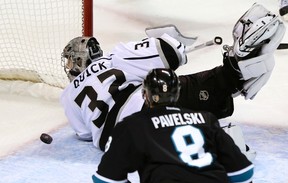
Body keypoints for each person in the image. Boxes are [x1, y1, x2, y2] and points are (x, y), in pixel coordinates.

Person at [60, 4, 285, 158]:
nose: (69, 67)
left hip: (119, 145)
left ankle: (214, 139)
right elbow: (166, 51)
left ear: (80, 62)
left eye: (70, 62)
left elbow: (85, 134)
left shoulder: (68, 96)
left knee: (165, 135)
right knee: (199, 84)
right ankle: (237, 67)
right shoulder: (114, 57)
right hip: (149, 103)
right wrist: (177, 47)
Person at [92, 68, 255, 183]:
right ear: (177, 94)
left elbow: (107, 181)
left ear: (145, 95)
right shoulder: (206, 119)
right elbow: (242, 172)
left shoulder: (134, 125)